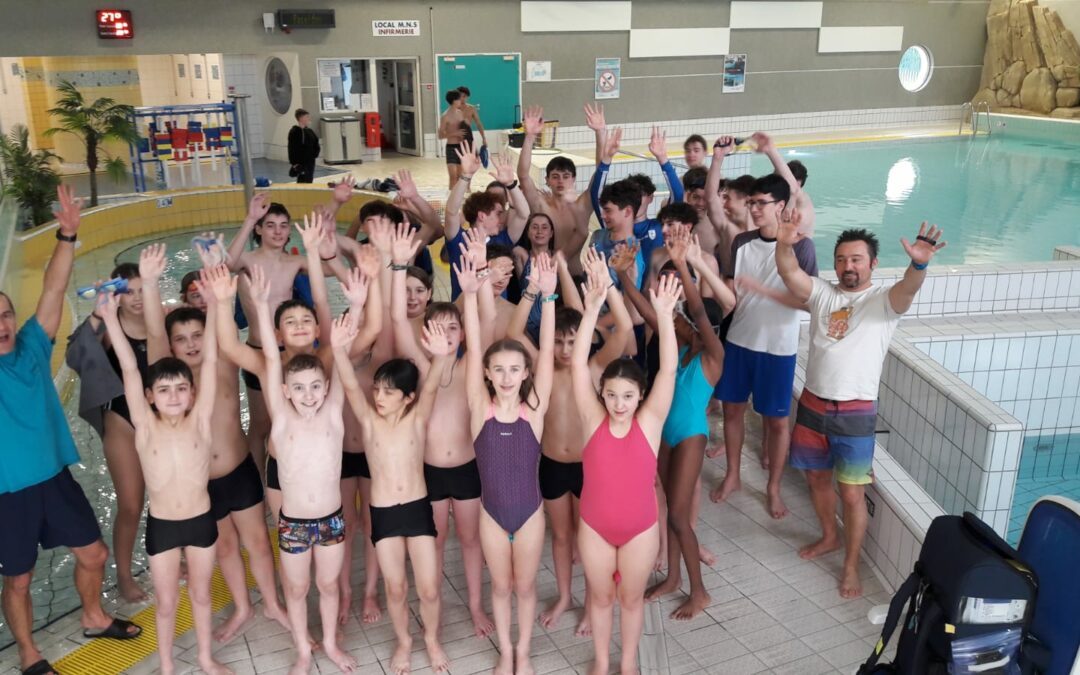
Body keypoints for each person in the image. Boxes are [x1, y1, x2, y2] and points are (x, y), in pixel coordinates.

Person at [1, 186, 142, 675]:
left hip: (54, 479)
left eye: (4, 313)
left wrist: (68, 233)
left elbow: (54, 291)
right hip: (8, 494)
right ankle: (28, 654)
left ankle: (93, 616)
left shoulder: (33, 347)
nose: (1, 323)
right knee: (18, 581)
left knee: (94, 552)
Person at [777, 218, 945, 598]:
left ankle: (850, 566)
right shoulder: (822, 293)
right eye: (841, 260)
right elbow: (788, 272)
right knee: (816, 479)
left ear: (871, 263)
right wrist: (784, 244)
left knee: (851, 494)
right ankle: (829, 537)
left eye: (856, 259)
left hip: (855, 412)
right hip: (813, 403)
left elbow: (908, 288)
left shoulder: (884, 301)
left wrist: (918, 264)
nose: (848, 267)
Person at [140, 242, 290, 643]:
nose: (190, 343)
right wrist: (151, 283)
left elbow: (222, 319)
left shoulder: (220, 356)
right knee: (225, 547)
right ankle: (242, 607)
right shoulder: (167, 377)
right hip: (201, 484)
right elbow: (155, 330)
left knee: (258, 539)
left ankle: (272, 603)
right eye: (181, 338)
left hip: (239, 469)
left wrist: (217, 275)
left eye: (195, 335)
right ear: (170, 346)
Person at [99, 273, 227, 675]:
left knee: (203, 595)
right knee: (168, 602)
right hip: (164, 527)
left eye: (181, 388)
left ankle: (206, 659)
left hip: (201, 521)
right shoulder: (145, 425)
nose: (174, 396)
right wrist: (109, 318)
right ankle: (168, 666)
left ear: (192, 392)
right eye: (165, 390)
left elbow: (209, 357)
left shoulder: (201, 421)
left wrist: (219, 304)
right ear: (151, 398)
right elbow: (130, 370)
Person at [506, 248, 634, 634]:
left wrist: (607, 284)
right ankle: (564, 596)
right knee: (561, 537)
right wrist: (534, 289)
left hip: (588, 467)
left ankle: (595, 602)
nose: (563, 350)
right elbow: (513, 334)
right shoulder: (542, 366)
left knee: (589, 539)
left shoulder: (594, 368)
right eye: (558, 342)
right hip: (550, 466)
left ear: (586, 340)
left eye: (571, 341)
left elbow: (625, 331)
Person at [249, 260, 361, 675]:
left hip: (330, 521)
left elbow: (340, 356)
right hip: (293, 522)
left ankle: (329, 643)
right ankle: (301, 649)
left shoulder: (332, 410)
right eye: (299, 388)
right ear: (284, 392)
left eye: (316, 386)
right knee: (296, 589)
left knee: (328, 585)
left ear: (325, 388)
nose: (309, 395)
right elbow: (270, 354)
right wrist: (261, 306)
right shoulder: (282, 416)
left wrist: (355, 312)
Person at [334, 304, 455, 675]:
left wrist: (441, 355)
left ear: (409, 397)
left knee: (430, 588)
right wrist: (338, 349)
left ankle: (431, 639)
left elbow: (433, 382)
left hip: (417, 509)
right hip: (384, 513)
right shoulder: (369, 422)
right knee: (397, 588)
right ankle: (404, 641)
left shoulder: (418, 419)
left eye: (388, 392)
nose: (379, 397)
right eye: (378, 390)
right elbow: (351, 387)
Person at [389, 225, 496, 639]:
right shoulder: (419, 365)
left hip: (468, 470)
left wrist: (478, 274)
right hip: (428, 473)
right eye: (439, 329)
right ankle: (429, 603)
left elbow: (485, 317)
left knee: (471, 542)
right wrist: (399, 264)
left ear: (462, 335)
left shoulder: (473, 368)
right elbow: (399, 315)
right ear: (427, 333)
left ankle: (473, 605)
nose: (447, 336)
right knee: (432, 542)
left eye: (454, 330)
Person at [573, 271, 681, 675]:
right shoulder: (591, 420)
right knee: (600, 599)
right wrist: (589, 313)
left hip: (640, 528)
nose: (619, 404)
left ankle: (629, 664)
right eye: (612, 396)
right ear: (602, 395)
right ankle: (602, 664)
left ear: (640, 396)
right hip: (595, 526)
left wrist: (665, 316)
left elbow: (667, 371)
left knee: (631, 600)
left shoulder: (649, 423)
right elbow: (579, 371)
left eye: (628, 397)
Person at [461, 251, 556, 675]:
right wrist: (468, 296)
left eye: (514, 369)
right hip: (491, 514)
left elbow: (549, 356)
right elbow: (475, 341)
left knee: (524, 586)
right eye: (497, 369)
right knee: (500, 586)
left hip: (531, 512)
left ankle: (524, 651)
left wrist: (548, 300)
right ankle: (505, 651)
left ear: (524, 374)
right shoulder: (479, 408)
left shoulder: (532, 412)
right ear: (485, 373)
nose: (505, 376)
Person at [711, 174, 818, 520]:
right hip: (740, 341)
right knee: (732, 412)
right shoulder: (741, 241)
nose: (754, 209)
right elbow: (731, 294)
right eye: (752, 203)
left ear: (781, 206)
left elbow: (809, 303)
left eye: (762, 203)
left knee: (775, 422)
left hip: (778, 348)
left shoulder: (802, 247)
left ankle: (772, 487)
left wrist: (762, 290)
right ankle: (733, 475)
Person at [71, 260, 149, 603]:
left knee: (168, 497)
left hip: (161, 421)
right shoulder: (108, 328)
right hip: (122, 421)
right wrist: (99, 313)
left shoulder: (160, 317)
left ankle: (174, 555)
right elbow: (75, 354)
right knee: (131, 504)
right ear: (117, 295)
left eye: (142, 289)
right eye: (128, 291)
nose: (137, 298)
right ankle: (123, 575)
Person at [517, 105, 600, 274]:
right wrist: (530, 136)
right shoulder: (541, 206)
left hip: (575, 274)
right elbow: (523, 176)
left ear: (574, 179)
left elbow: (600, 172)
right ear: (547, 180)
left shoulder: (582, 205)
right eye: (555, 177)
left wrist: (600, 132)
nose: (560, 181)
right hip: (545, 274)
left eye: (566, 176)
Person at [438, 89, 470, 189]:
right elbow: (440, 135)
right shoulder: (445, 116)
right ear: (454, 101)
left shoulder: (460, 113)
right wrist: (454, 133)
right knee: (453, 176)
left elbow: (464, 128)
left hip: (461, 147)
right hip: (451, 148)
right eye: (459, 99)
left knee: (461, 176)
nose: (461, 101)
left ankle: (459, 198)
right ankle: (451, 198)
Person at [288, 108, 320, 184]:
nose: (309, 119)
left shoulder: (309, 131)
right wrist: (295, 163)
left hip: (310, 161)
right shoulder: (295, 132)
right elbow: (292, 148)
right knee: (302, 181)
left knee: (309, 180)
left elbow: (316, 143)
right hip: (301, 163)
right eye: (307, 117)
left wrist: (315, 154)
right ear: (301, 118)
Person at [457, 86, 487, 152]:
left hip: (468, 136)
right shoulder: (453, 109)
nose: (462, 98)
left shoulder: (471, 108)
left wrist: (483, 138)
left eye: (464, 96)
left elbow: (479, 124)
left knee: (472, 158)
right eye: (460, 96)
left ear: (467, 97)